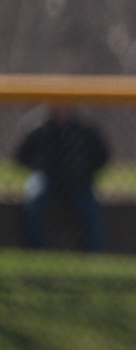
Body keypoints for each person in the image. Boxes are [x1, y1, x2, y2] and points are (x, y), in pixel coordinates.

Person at [15, 106, 109, 252]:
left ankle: (95, 253)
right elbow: (21, 156)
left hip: (77, 182)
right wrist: (40, 164)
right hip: (47, 179)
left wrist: (84, 171)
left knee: (91, 207)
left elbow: (102, 156)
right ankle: (34, 250)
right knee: (35, 199)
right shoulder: (39, 126)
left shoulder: (84, 128)